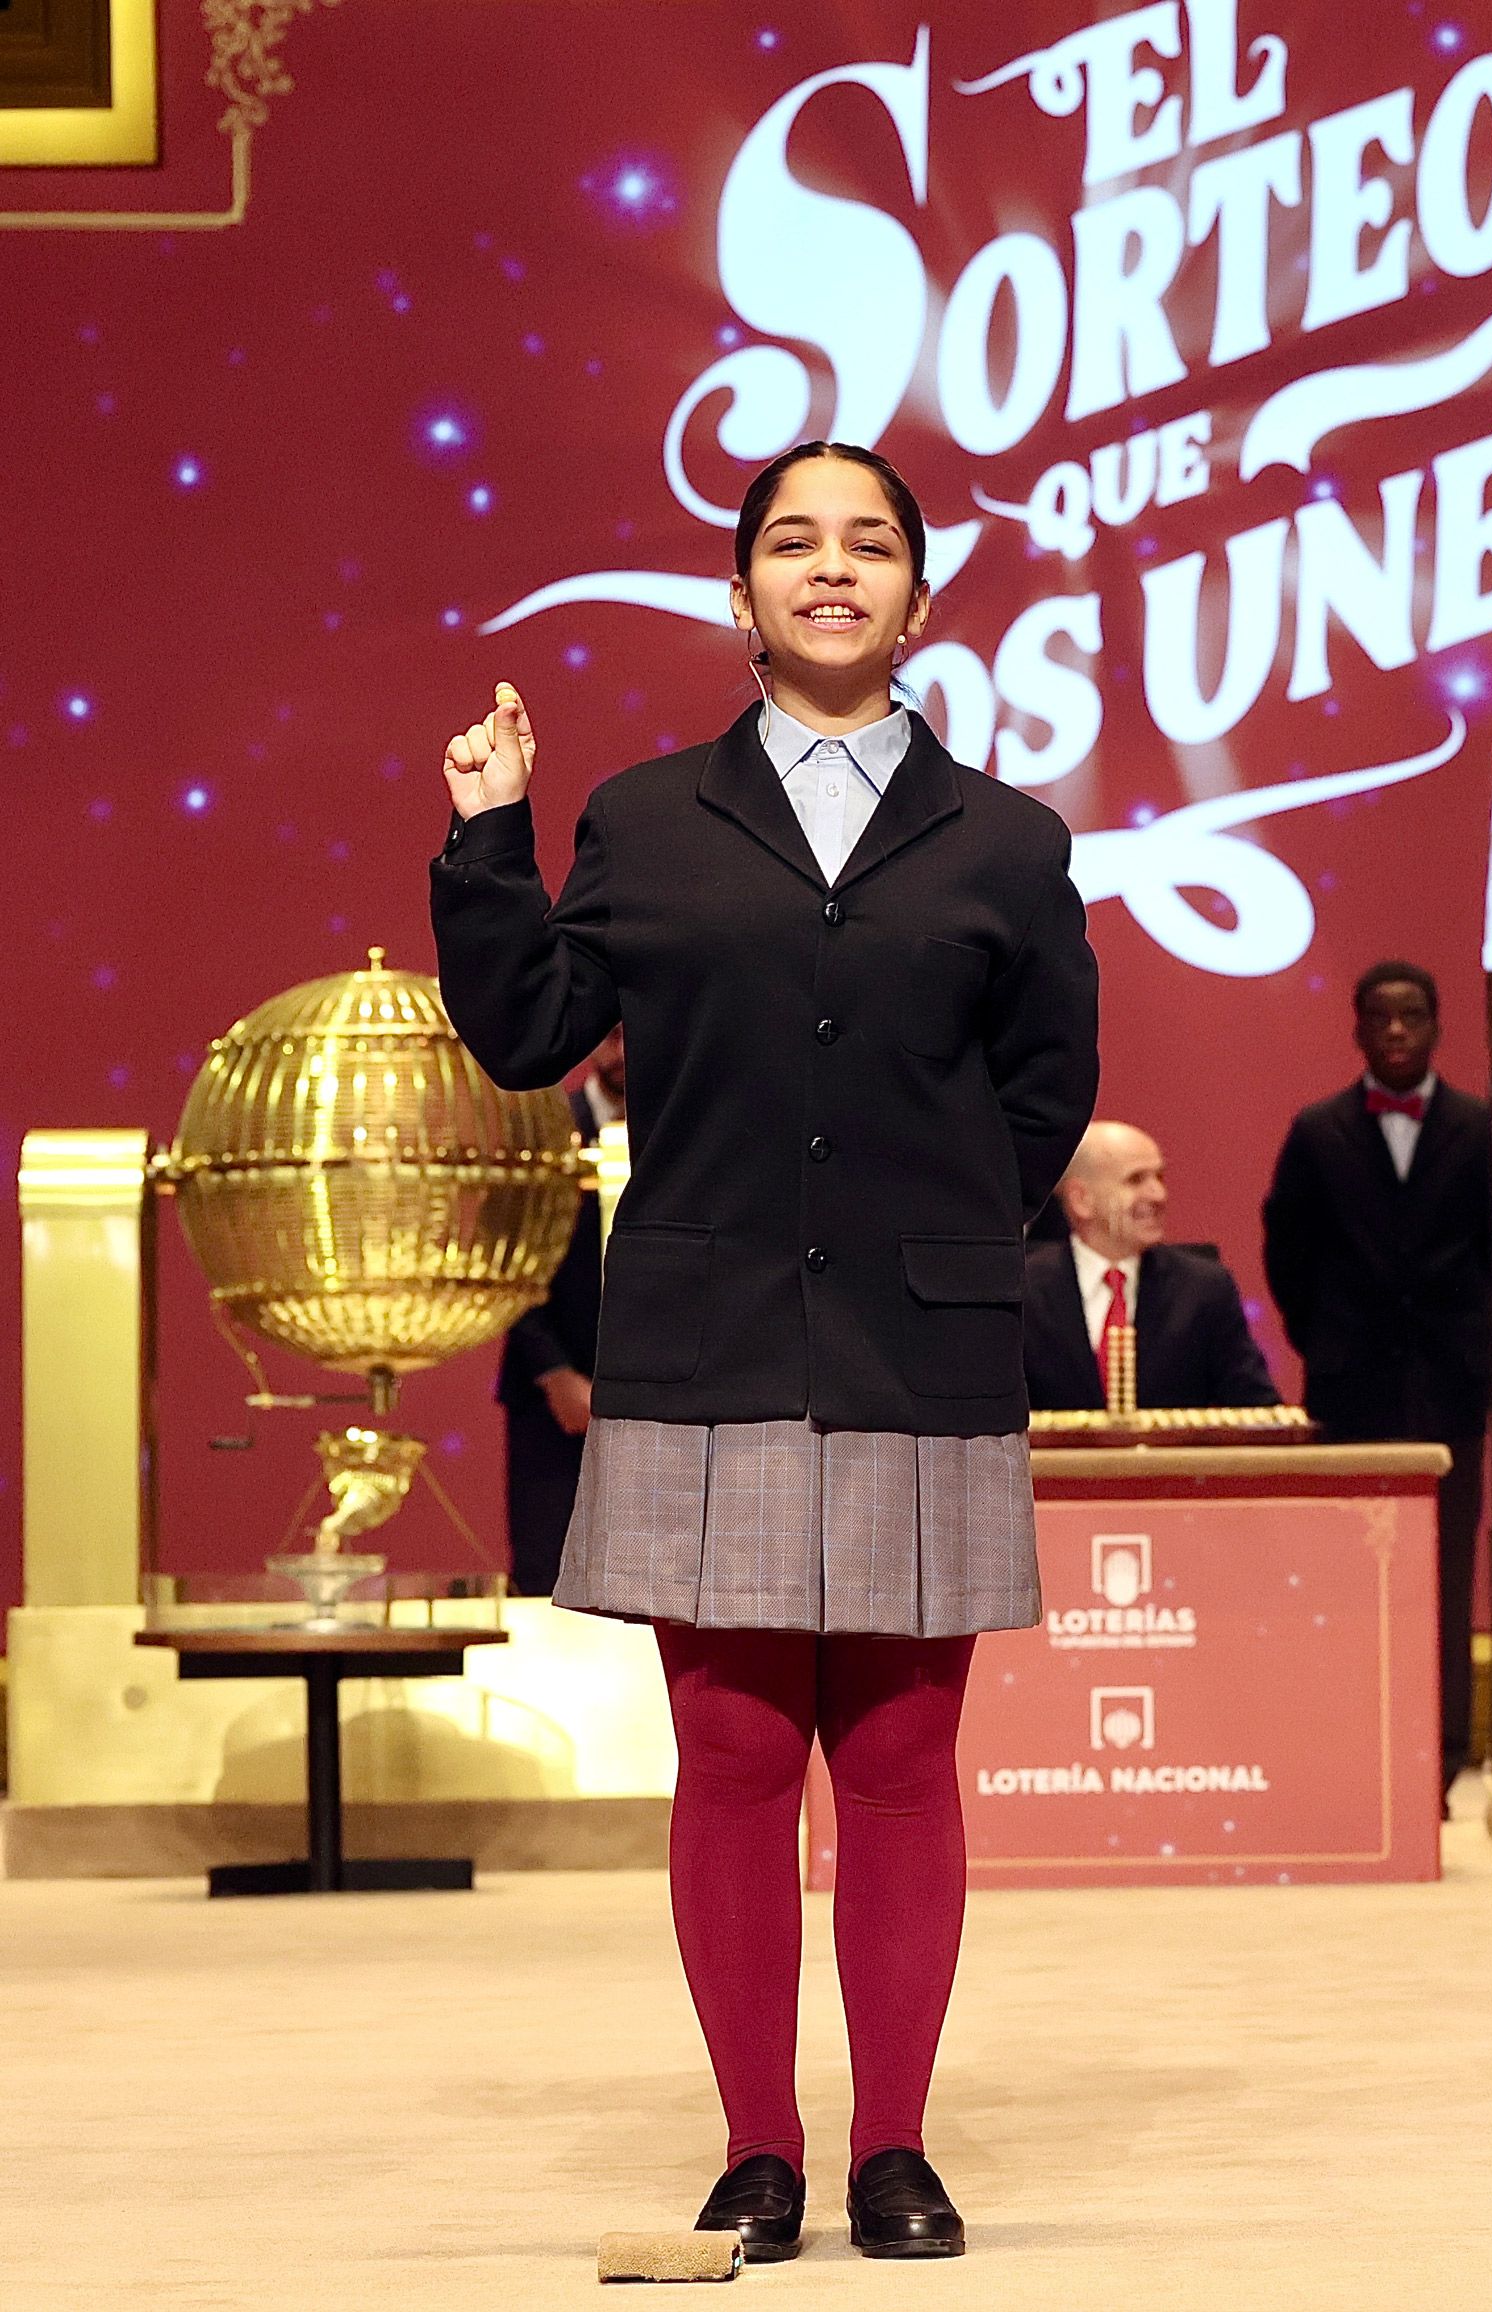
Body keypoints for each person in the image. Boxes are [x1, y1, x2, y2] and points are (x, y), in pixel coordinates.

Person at [429, 440, 1097, 2264]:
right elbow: (528, 1031)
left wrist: (933, 1229)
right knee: (730, 1757)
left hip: (917, 1345)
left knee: (898, 1762)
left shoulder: (1009, 842)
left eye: (869, 543)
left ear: (920, 600)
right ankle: (757, 2150)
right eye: (792, 542)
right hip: (706, 1340)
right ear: (738, 597)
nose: (831, 568)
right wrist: (492, 831)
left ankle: (894, 2146)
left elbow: (1046, 1095)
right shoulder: (642, 820)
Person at [1261, 962, 1492, 1790]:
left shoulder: (1483, 1127)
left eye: (1413, 1016)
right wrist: (1324, 1339)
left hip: (1451, 1391)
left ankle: (1445, 1754)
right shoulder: (1318, 1129)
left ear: (1437, 1026)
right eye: (1381, 1018)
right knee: (1350, 1569)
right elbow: (1286, 1250)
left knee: (1447, 1570)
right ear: (1357, 1028)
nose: (1397, 1031)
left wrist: (1478, 1349)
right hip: (1351, 1389)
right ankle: (1357, 1747)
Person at [1024, 1120, 1278, 1413]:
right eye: (1135, 1180)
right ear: (1081, 1199)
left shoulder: (1205, 1289)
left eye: (1159, 1177)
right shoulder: (1024, 1291)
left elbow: (1258, 1410)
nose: (1158, 1195)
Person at [497, 1024, 624, 1599]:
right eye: (610, 1034)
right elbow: (503, 1260)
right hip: (553, 1405)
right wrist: (555, 1373)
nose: (620, 1051)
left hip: (673, 1403)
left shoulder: (690, 1135)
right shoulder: (542, 1132)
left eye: (632, 1034)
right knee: (548, 1578)